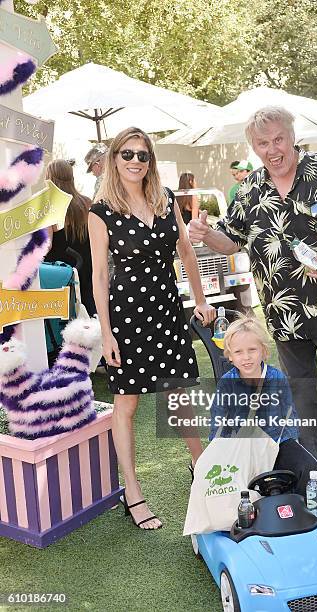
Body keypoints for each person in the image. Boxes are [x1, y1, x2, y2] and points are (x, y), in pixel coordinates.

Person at [189, 106, 317, 494]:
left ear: (292, 135)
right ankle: (316, 470)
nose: (272, 149)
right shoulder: (249, 190)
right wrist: (206, 235)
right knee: (300, 393)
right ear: (253, 147)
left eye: (278, 139)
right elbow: (233, 239)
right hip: (283, 310)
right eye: (263, 143)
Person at [88, 126, 216, 530]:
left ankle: (200, 464)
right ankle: (133, 491)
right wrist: (106, 333)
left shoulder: (165, 200)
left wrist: (200, 299)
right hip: (126, 315)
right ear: (114, 159)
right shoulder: (100, 211)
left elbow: (185, 251)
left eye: (142, 155)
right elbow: (99, 275)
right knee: (127, 403)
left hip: (166, 309)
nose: (135, 162)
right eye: (127, 154)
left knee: (178, 392)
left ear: (151, 161)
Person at [209, 316, 317, 497]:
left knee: (307, 466)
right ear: (230, 356)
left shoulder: (276, 378)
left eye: (252, 350)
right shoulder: (227, 383)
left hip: (277, 444)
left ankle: (301, 508)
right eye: (238, 352)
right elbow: (218, 419)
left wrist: (289, 446)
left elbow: (289, 416)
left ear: (263, 351)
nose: (246, 357)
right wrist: (217, 450)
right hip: (243, 447)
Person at [45, 159, 96, 317]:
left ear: (50, 178)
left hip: (62, 274)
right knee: (90, 317)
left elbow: (46, 244)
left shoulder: (50, 206)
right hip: (88, 270)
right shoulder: (87, 203)